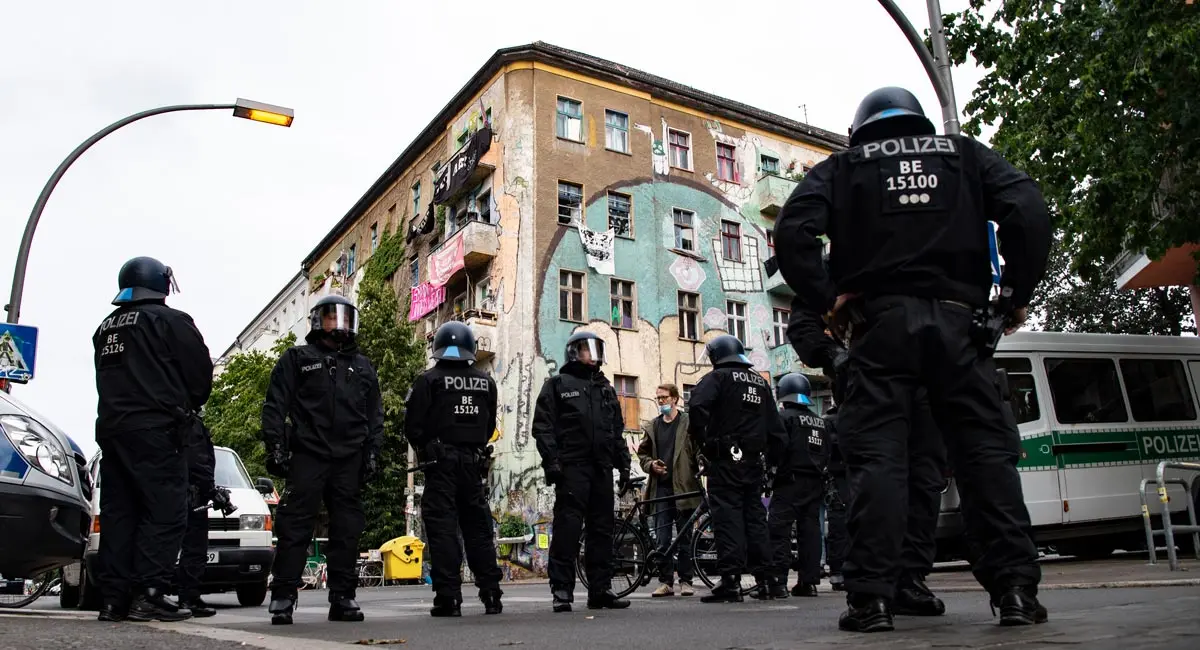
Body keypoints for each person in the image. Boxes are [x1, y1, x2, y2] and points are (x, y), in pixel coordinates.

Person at [777, 86, 1051, 632]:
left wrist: (827, 296)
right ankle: (1016, 591)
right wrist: (1015, 296)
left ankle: (872, 599)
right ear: (919, 123)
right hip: (961, 328)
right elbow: (1028, 209)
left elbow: (792, 231)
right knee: (983, 457)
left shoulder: (844, 167)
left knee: (878, 460)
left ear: (861, 131)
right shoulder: (965, 154)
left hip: (882, 331)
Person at [92, 256, 212, 622]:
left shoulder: (106, 327)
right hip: (157, 431)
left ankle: (114, 600)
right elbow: (200, 376)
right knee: (164, 513)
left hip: (113, 431)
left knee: (120, 514)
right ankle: (151, 592)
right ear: (161, 285)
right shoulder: (172, 322)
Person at [260, 294, 384, 625]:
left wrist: (373, 452)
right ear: (317, 322)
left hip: (349, 459)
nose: (339, 325)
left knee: (347, 529)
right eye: (331, 318)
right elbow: (275, 405)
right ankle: (283, 597)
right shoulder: (298, 359)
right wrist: (274, 445)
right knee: (295, 527)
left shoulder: (363, 366)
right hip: (308, 454)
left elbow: (375, 415)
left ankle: (343, 598)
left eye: (344, 318)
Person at [405, 321, 504, 617]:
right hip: (473, 466)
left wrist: (429, 447)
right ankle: (491, 595)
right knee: (479, 530)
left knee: (443, 529)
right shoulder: (486, 382)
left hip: (441, 466)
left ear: (438, 349)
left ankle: (449, 598)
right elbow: (488, 427)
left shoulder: (429, 380)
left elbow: (413, 427)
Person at [532, 331, 632, 613]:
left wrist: (624, 465)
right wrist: (552, 462)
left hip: (601, 468)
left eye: (596, 349)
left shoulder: (606, 389)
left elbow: (616, 432)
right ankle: (562, 590)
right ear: (574, 352)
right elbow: (543, 427)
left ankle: (600, 589)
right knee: (568, 529)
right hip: (572, 469)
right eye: (587, 349)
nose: (593, 354)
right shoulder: (558, 385)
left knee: (602, 531)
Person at [686, 335, 786, 603]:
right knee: (755, 520)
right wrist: (771, 467)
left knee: (727, 519)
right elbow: (778, 432)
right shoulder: (761, 383)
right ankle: (767, 581)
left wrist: (706, 444)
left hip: (724, 459)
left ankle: (731, 581)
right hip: (753, 462)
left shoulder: (717, 379)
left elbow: (696, 406)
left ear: (718, 355)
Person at [636, 383, 701, 597]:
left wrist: (701, 465)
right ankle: (665, 582)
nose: (661, 401)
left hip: (684, 487)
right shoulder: (653, 426)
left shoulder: (688, 422)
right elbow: (643, 455)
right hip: (661, 489)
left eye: (664, 397)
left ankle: (686, 581)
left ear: (675, 399)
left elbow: (699, 449)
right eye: (659, 398)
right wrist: (651, 465)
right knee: (662, 539)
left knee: (685, 538)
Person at [767, 373, 828, 599]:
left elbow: (776, 448)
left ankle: (778, 582)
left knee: (778, 531)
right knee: (810, 532)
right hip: (815, 483)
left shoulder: (784, 418)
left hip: (789, 481)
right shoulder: (820, 422)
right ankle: (808, 582)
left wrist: (772, 470)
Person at [175, 417, 229, 618]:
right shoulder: (191, 425)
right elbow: (199, 462)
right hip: (192, 496)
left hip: (177, 492)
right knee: (194, 548)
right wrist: (210, 489)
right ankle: (189, 597)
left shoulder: (173, 420)